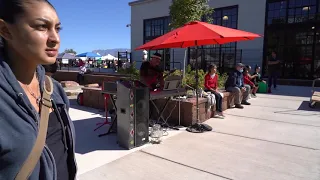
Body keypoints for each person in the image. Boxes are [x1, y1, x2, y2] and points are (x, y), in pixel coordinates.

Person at [0, 0, 77, 179]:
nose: (55, 38)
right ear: (5, 30)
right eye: (42, 27)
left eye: (57, 29)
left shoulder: (54, 90)